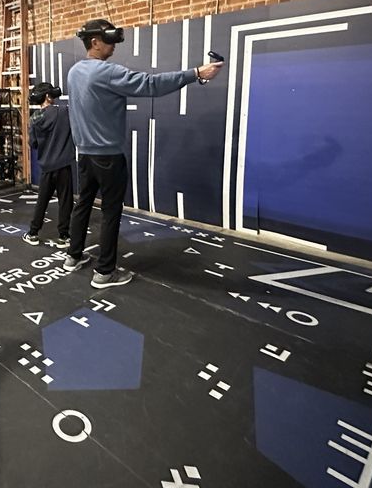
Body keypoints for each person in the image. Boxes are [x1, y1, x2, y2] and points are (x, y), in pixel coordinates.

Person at [63, 18, 224, 289]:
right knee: (111, 212)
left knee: (83, 204)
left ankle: (73, 256)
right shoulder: (106, 72)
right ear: (95, 42)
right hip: (108, 157)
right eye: (108, 40)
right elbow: (151, 85)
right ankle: (104, 272)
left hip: (85, 154)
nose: (113, 45)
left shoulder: (74, 72)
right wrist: (196, 73)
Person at [24, 82, 74, 249]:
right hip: (63, 165)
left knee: (42, 200)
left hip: (46, 167)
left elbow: (33, 144)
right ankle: (64, 236)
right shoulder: (64, 112)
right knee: (65, 201)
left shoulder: (34, 119)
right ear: (47, 96)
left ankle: (33, 233)